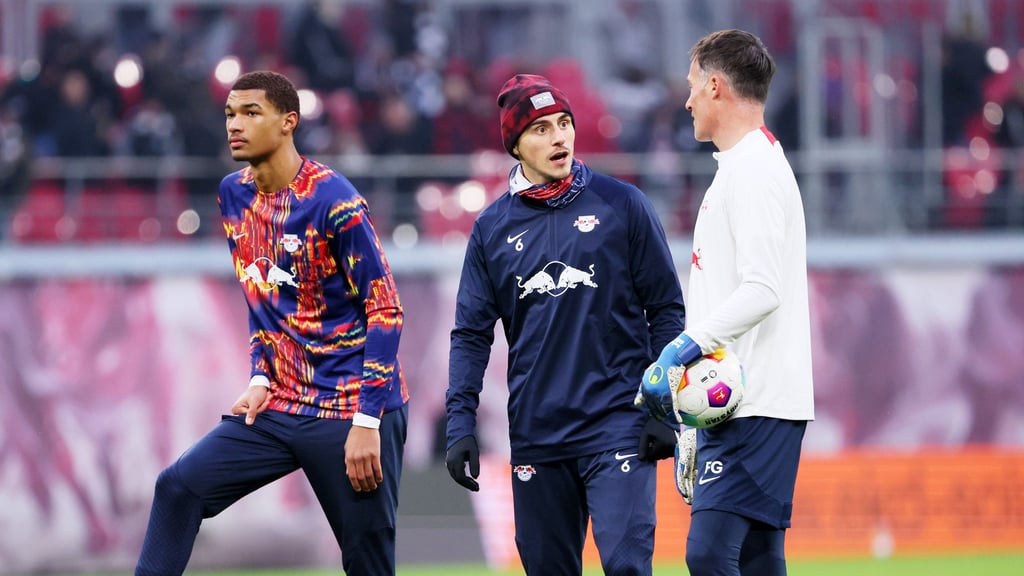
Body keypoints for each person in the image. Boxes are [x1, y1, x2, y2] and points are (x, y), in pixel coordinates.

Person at [135, 70, 409, 576]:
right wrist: (261, 373)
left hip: (349, 408)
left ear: (288, 123)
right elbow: (261, 295)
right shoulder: (232, 195)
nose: (234, 125)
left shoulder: (335, 201)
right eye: (230, 114)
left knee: (368, 566)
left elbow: (386, 308)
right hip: (280, 405)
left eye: (250, 113)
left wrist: (369, 421)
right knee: (177, 488)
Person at [444, 73, 685, 575]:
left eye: (565, 123)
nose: (559, 138)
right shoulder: (491, 229)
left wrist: (662, 407)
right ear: (514, 145)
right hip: (538, 434)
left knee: (627, 568)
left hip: (618, 424)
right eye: (540, 129)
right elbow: (470, 334)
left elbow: (665, 309)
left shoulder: (623, 205)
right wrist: (460, 423)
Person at [637, 29, 814, 576]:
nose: (686, 101)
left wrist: (681, 351)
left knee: (709, 554)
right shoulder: (745, 167)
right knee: (759, 559)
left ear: (715, 86)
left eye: (692, 86)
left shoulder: (755, 172)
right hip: (743, 400)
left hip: (755, 401)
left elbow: (763, 289)